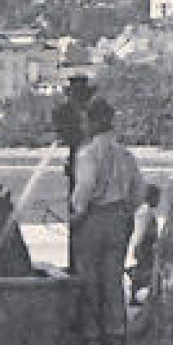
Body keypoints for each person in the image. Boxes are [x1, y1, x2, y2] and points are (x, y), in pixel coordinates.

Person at [69, 95, 145, 345]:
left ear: (95, 122)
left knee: (89, 281)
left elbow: (84, 188)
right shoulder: (126, 155)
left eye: (88, 120)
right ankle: (116, 338)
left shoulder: (88, 154)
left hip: (95, 220)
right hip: (119, 220)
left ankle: (92, 342)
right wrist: (125, 208)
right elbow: (139, 191)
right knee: (113, 281)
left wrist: (77, 213)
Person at [51, 75, 97, 238]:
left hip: (82, 165)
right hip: (79, 165)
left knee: (80, 214)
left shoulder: (83, 114)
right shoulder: (85, 113)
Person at [127, 183, 163, 305]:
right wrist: (137, 246)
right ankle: (136, 295)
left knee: (144, 271)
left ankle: (138, 294)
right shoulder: (145, 212)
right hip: (144, 246)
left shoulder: (146, 211)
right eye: (158, 197)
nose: (159, 201)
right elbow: (140, 231)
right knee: (143, 271)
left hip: (146, 246)